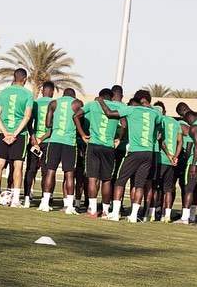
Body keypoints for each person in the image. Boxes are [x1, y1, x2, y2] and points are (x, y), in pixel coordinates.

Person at [97, 90, 161, 223]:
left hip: (135, 151)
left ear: (137, 100)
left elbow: (109, 114)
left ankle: (115, 213)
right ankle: (133, 216)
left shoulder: (131, 110)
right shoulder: (155, 113)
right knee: (139, 184)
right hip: (149, 152)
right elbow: (159, 128)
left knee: (120, 181)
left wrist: (101, 101)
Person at [0, 68, 33, 207]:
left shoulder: (4, 92)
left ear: (14, 78)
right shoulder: (28, 94)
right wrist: (14, 134)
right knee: (18, 167)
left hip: (3, 134)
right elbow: (27, 116)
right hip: (19, 135)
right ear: (25, 79)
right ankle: (15, 201)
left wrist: (4, 132)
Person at [74, 88, 121, 218]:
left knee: (92, 179)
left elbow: (76, 116)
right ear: (111, 98)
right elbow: (124, 124)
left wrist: (83, 134)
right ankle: (105, 211)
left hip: (93, 145)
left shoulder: (92, 104)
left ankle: (93, 210)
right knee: (106, 180)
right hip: (108, 147)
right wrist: (119, 138)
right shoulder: (117, 106)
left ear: (99, 97)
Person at [38, 88, 82, 214]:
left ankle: (45, 203)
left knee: (50, 171)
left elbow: (47, 124)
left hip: (55, 140)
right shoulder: (77, 103)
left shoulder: (53, 103)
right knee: (69, 174)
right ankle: (69, 206)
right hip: (69, 142)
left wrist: (57, 123)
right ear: (73, 96)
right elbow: (80, 120)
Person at [23, 81, 54, 208]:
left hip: (34, 141)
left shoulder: (35, 103)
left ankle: (26, 199)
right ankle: (44, 200)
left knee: (30, 170)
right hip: (47, 142)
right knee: (46, 172)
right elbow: (52, 127)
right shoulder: (54, 104)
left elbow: (29, 122)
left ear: (42, 91)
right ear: (52, 92)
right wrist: (41, 139)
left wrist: (34, 137)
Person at [157, 106, 183, 223]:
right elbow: (180, 142)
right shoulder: (176, 123)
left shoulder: (160, 120)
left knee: (154, 187)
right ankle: (166, 216)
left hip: (161, 159)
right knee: (168, 189)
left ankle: (151, 213)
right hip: (172, 162)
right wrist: (175, 156)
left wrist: (168, 155)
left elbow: (160, 140)